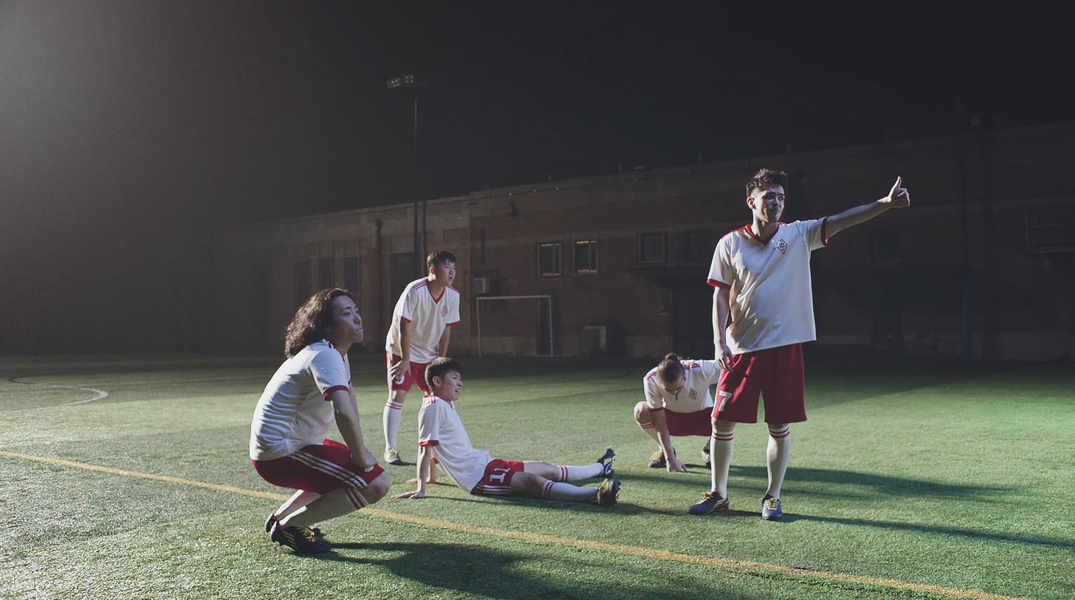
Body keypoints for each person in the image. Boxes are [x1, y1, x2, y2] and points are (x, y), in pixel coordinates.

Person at [688, 169, 910, 520]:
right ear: (751, 202)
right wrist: (718, 341)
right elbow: (719, 296)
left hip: (785, 347)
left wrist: (884, 203)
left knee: (778, 425)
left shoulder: (799, 234)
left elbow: (844, 220)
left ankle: (772, 497)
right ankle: (718, 493)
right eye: (768, 197)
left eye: (780, 197)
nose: (776, 203)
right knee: (721, 422)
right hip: (741, 348)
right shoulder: (729, 243)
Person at [250, 288, 389, 554]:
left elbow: (350, 403)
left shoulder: (336, 353)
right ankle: (289, 527)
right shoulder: (323, 354)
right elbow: (343, 411)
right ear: (326, 327)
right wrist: (360, 456)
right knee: (376, 483)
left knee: (354, 472)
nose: (358, 318)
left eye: (356, 311)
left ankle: (281, 517)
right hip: (280, 455)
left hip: (294, 448)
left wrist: (360, 453)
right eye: (346, 314)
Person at [392, 357, 620, 507]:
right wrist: (422, 488)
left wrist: (431, 478)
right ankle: (596, 495)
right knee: (534, 481)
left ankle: (601, 468)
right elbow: (426, 448)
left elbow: (434, 446)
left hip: (485, 463)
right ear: (437, 381)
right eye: (455, 378)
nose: (460, 383)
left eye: (460, 379)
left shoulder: (443, 403)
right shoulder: (433, 407)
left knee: (545, 467)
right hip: (477, 477)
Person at [383, 250, 461, 466]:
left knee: (437, 398)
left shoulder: (453, 295)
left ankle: (439, 450)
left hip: (429, 354)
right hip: (401, 350)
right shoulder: (415, 290)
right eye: (446, 267)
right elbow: (403, 324)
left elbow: (446, 329)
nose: (451, 272)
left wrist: (441, 361)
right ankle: (391, 448)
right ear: (432, 269)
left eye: (454, 268)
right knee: (398, 395)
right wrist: (405, 359)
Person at [635, 353, 720, 471]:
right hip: (672, 421)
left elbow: (732, 368)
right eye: (668, 390)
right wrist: (670, 459)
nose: (674, 393)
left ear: (684, 375)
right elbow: (660, 421)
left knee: (730, 403)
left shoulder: (701, 369)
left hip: (706, 421)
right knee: (641, 410)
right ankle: (664, 450)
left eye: (678, 388)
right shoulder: (651, 379)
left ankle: (710, 449)